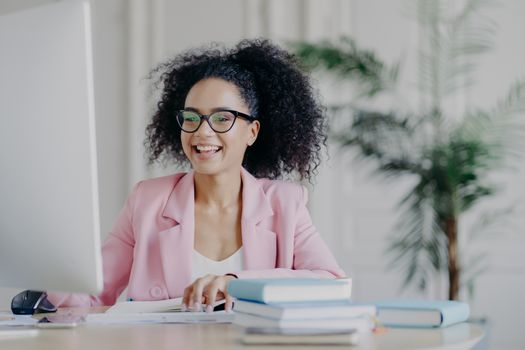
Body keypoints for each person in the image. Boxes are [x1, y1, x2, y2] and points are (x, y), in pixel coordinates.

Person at [48, 39, 345, 312]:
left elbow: (330, 283)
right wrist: (45, 284)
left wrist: (236, 282)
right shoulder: (147, 200)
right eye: (191, 117)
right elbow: (92, 294)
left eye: (222, 118)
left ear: (252, 132)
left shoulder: (285, 203)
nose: (203, 131)